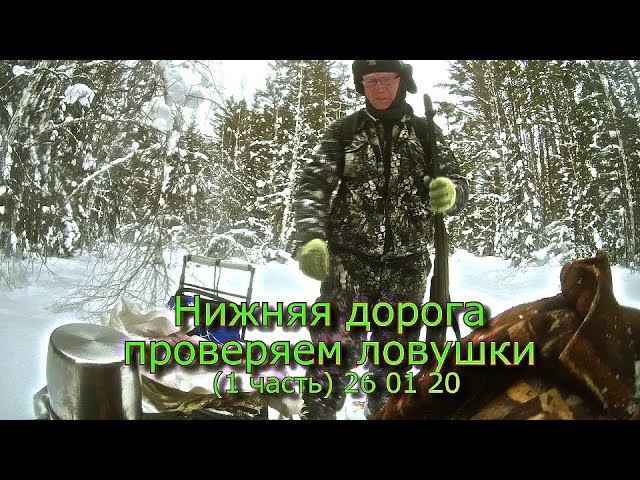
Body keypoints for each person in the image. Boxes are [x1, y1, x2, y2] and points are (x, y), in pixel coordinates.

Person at [288, 60, 469, 419]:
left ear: (402, 81)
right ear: (361, 86)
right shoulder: (344, 132)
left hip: (407, 269)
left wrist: (451, 193)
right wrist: (310, 239)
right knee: (331, 355)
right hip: (349, 266)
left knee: (392, 369)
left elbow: (459, 185)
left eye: (387, 79)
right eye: (370, 81)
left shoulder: (426, 133)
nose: (379, 88)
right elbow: (312, 187)